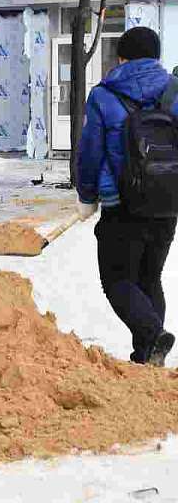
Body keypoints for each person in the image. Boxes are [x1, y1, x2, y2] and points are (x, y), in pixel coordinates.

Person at [77, 26, 178, 367]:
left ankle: (152, 336)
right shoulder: (174, 91)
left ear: (121, 57)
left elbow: (90, 152)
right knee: (149, 279)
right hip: (167, 203)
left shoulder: (104, 95)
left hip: (122, 204)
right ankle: (148, 356)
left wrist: (87, 193)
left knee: (118, 280)